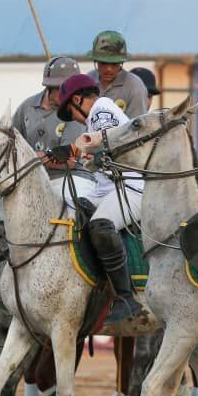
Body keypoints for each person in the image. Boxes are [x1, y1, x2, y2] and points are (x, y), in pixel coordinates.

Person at [51, 74, 144, 331]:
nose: (76, 119)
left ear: (78, 99)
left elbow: (101, 141)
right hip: (107, 188)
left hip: (131, 187)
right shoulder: (94, 118)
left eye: (72, 111)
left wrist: (72, 150)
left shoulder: (101, 108)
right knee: (72, 209)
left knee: (101, 225)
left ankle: (126, 299)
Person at [13, 56, 87, 180]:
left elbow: (69, 161)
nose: (67, 95)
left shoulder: (75, 112)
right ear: (49, 86)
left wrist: (30, 157)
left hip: (71, 178)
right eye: (61, 89)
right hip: (32, 178)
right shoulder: (27, 106)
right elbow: (11, 141)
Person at [85, 31, 149, 118]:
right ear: (95, 61)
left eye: (114, 63)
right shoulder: (87, 82)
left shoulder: (135, 87)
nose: (109, 69)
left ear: (121, 62)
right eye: (103, 63)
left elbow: (138, 125)